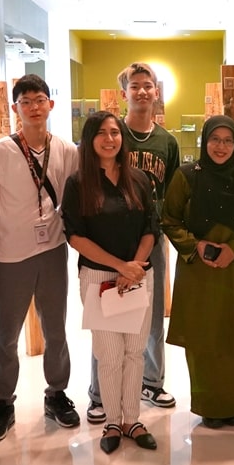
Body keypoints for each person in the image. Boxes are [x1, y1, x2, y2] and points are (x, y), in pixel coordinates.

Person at [0, 74, 81, 441]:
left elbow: (70, 199)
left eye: (40, 100)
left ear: (51, 104)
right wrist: (12, 235)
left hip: (52, 251)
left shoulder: (67, 150)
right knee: (6, 334)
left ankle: (56, 394)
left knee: (56, 328)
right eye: (26, 102)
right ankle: (4, 402)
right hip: (11, 256)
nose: (34, 108)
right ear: (15, 109)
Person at [162, 115, 234, 428]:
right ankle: (209, 404)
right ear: (204, 141)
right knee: (205, 336)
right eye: (215, 139)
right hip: (199, 272)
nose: (221, 146)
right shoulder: (186, 177)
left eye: (228, 141)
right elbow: (169, 219)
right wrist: (194, 246)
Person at [86, 62, 179, 425]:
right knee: (104, 315)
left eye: (148, 86)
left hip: (150, 237)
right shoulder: (112, 132)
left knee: (151, 314)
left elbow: (172, 194)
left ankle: (151, 382)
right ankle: (98, 393)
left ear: (157, 92)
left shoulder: (166, 142)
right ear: (124, 92)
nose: (142, 92)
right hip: (110, 237)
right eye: (135, 86)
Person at [62, 111, 160, 454]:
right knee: (109, 354)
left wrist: (133, 267)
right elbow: (75, 237)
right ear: (90, 140)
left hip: (136, 275)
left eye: (115, 132)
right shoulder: (78, 183)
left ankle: (132, 419)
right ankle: (112, 423)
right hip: (99, 278)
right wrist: (119, 266)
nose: (109, 139)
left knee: (135, 352)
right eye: (101, 133)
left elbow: (151, 228)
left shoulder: (138, 179)